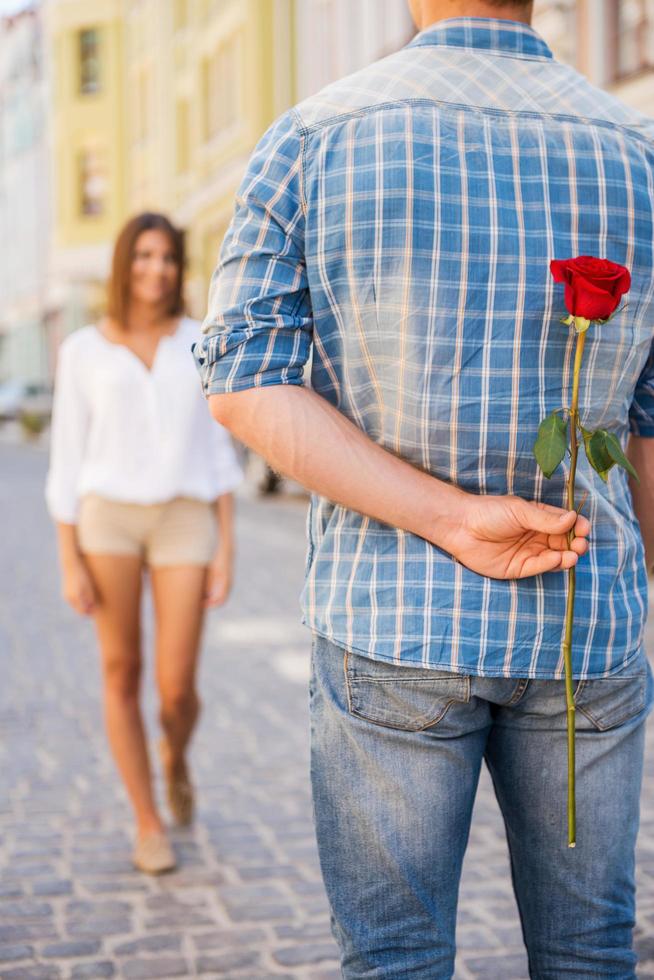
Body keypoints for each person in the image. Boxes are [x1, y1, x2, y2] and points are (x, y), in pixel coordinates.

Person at [193, 0, 654, 974]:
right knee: (591, 953)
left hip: (394, 619)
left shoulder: (316, 135)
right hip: (587, 615)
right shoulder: (635, 148)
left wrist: (449, 519)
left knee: (395, 956)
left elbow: (241, 380)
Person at [46, 212, 242, 875]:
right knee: (120, 672)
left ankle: (175, 755)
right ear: (125, 262)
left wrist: (227, 546)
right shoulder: (81, 351)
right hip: (107, 522)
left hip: (185, 516)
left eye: (167, 258)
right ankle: (147, 820)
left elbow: (219, 446)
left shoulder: (199, 341)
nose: (155, 268)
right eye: (145, 255)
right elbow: (67, 458)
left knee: (175, 689)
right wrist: (68, 555)